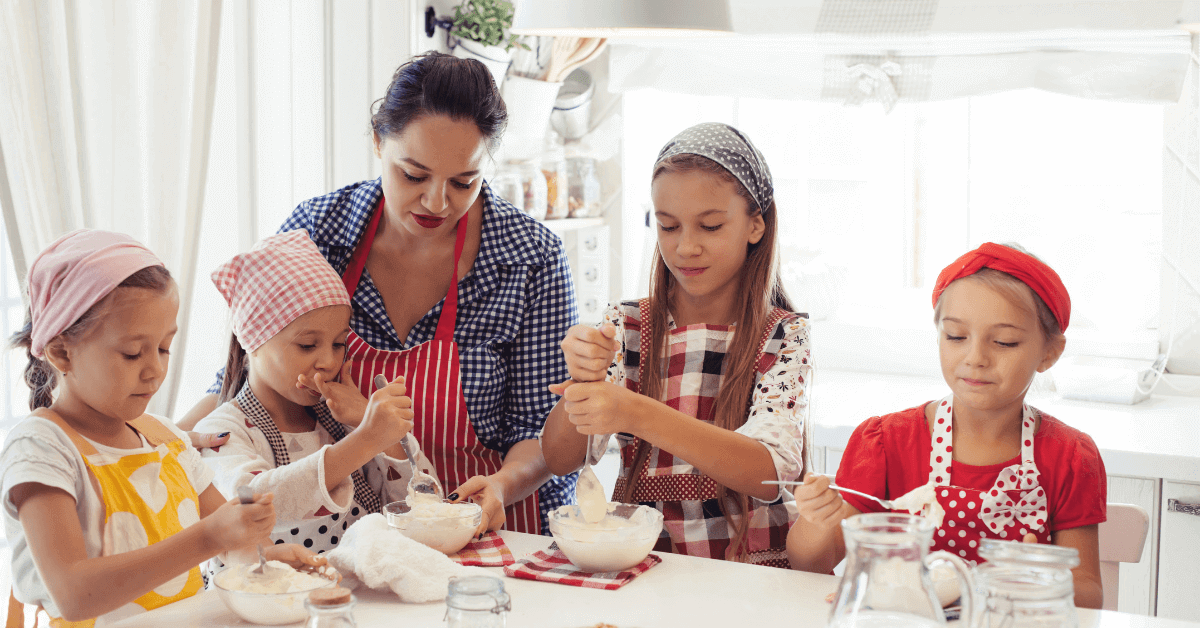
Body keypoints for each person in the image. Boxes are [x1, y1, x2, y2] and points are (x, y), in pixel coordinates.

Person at [178, 51, 576, 535]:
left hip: (490, 525)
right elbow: (246, 367)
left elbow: (539, 429)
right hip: (358, 533)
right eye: (414, 174)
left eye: (463, 181)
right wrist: (164, 441)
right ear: (377, 142)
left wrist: (501, 486)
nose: (436, 201)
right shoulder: (319, 232)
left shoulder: (530, 257)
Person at [0, 230, 318, 625]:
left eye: (164, 348)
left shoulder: (166, 439)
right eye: (133, 352)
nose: (155, 370)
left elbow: (228, 546)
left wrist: (263, 557)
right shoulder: (41, 447)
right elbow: (73, 594)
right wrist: (210, 538)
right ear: (62, 352)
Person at [540, 123, 812, 568]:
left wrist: (633, 411)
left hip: (748, 577)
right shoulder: (625, 326)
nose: (685, 247)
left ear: (756, 225)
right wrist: (584, 381)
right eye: (667, 227)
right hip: (646, 567)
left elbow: (766, 475)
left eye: (710, 226)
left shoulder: (782, 336)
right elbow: (559, 458)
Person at [786, 242, 1106, 608]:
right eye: (956, 336)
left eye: (1004, 342)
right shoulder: (886, 443)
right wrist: (816, 517)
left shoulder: (1069, 457)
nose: (976, 358)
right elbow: (809, 562)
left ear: (1049, 352)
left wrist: (1034, 579)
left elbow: (1090, 594)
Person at [195, 229, 422, 559]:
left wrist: (383, 435)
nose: (329, 362)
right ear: (253, 342)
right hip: (270, 600)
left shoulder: (342, 419)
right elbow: (259, 496)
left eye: (339, 344)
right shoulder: (223, 432)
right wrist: (365, 440)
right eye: (307, 345)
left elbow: (421, 505)